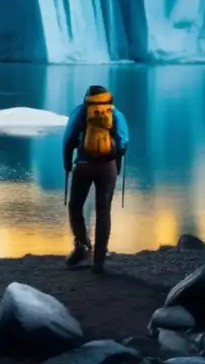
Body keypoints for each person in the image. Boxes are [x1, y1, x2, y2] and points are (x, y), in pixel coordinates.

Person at [62, 84, 129, 273]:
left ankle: (82, 245)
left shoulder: (81, 111)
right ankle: (99, 261)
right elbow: (124, 142)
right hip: (107, 167)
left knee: (75, 206)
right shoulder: (115, 114)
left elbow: (68, 140)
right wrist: (116, 167)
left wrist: (67, 164)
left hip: (83, 166)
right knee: (103, 210)